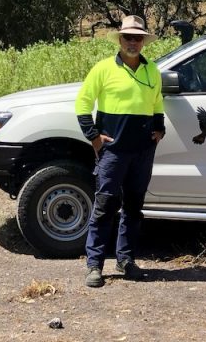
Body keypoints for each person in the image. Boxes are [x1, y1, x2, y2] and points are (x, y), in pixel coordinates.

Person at [75, 15, 165, 288]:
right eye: (129, 37)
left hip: (142, 152)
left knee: (134, 208)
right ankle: (94, 266)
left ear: (143, 42)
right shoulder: (103, 69)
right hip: (113, 153)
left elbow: (157, 102)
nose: (133, 42)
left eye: (138, 38)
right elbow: (82, 103)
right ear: (120, 40)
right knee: (104, 207)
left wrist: (160, 129)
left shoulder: (152, 71)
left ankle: (126, 261)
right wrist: (94, 137)